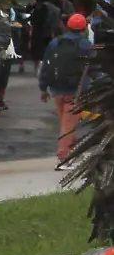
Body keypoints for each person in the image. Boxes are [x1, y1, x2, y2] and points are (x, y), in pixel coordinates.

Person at [40, 12, 95, 162]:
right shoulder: (86, 45)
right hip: (76, 91)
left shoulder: (55, 43)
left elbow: (45, 66)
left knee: (67, 123)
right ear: (84, 28)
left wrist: (43, 88)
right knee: (69, 125)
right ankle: (64, 156)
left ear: (67, 26)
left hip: (57, 89)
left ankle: (73, 149)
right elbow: (94, 68)